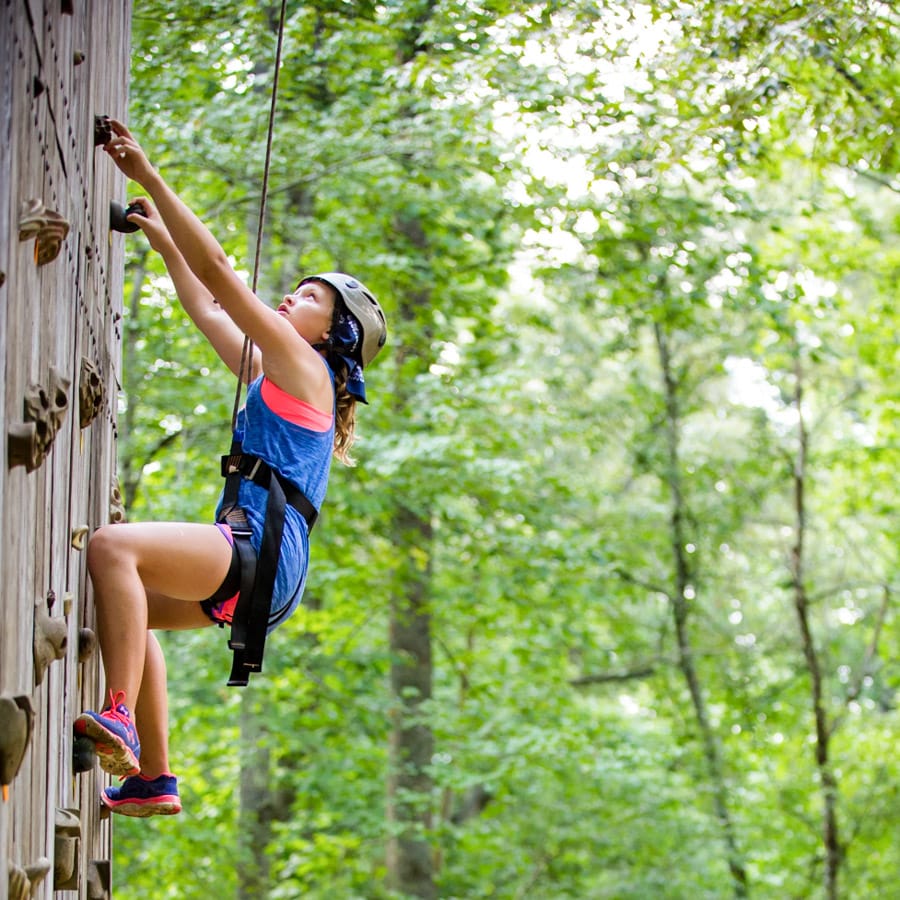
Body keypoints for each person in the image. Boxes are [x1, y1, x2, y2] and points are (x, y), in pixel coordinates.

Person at [74, 120, 387, 817]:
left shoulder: (305, 368)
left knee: (111, 547)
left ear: (332, 337)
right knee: (130, 613)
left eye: (310, 300)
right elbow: (206, 303)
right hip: (269, 568)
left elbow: (220, 269)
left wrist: (149, 175)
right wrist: (161, 243)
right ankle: (153, 779)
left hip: (259, 554)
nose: (290, 298)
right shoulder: (275, 373)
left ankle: (118, 713)